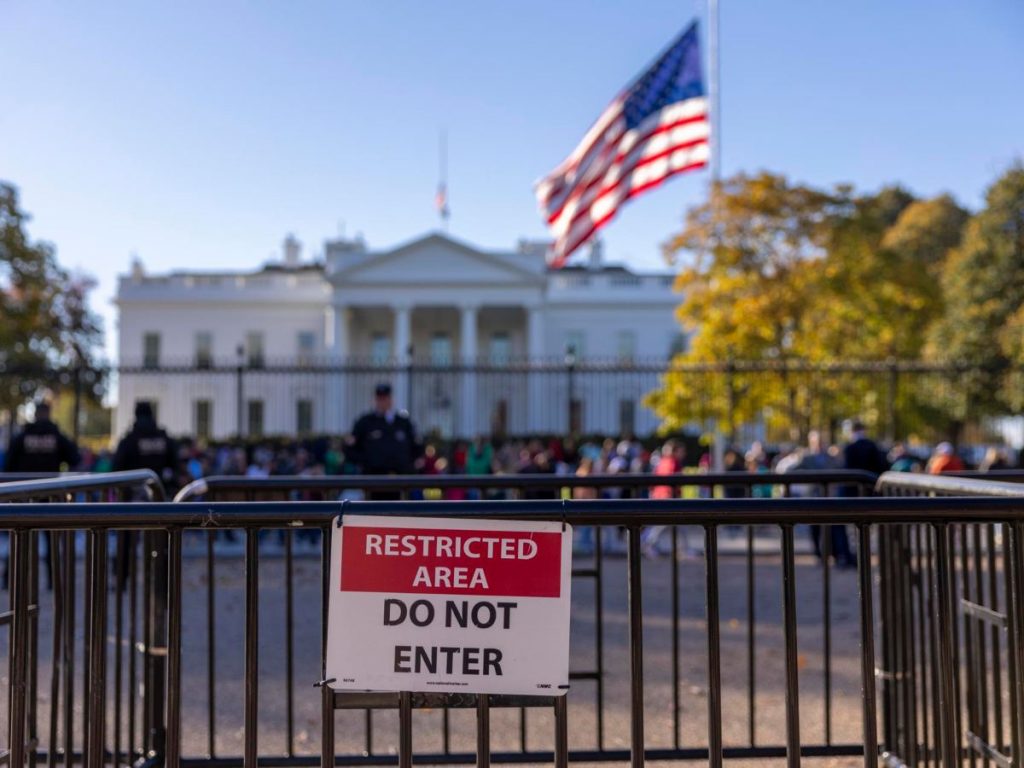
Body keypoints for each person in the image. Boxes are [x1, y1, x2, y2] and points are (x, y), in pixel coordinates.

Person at [3, 401, 80, 589]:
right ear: (48, 413)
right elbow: (75, 458)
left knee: (19, 537)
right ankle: (53, 581)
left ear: (35, 414)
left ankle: (10, 579)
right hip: (51, 493)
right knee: (52, 540)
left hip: (24, 493)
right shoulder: (56, 436)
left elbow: (8, 465)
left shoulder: (22, 436)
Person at [113, 401, 179, 590]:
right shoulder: (163, 438)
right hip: (159, 495)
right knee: (162, 540)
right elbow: (174, 466)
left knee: (125, 540)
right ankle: (162, 580)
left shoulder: (130, 439)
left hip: (132, 496)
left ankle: (122, 579)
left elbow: (117, 467)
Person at [348, 383, 422, 500]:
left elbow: (417, 447)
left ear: (390, 399)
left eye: (385, 398)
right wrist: (367, 462)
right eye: (379, 399)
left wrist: (409, 466)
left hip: (400, 481)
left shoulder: (403, 422)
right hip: (373, 481)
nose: (382, 402)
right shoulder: (366, 422)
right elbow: (350, 448)